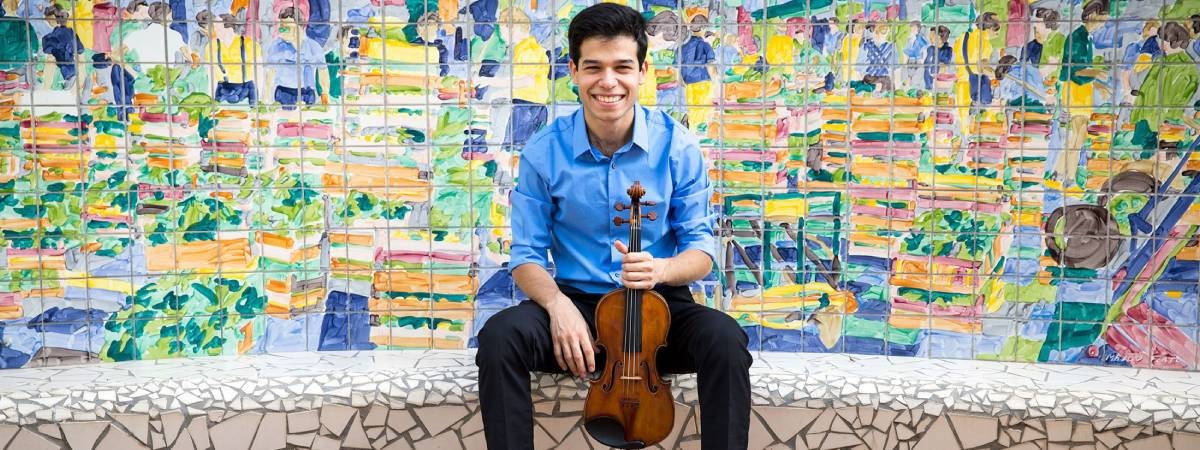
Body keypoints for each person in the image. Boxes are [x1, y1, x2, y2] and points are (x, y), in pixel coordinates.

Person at [475, 3, 752, 449]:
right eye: (594, 68)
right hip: (578, 312)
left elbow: (701, 250)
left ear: (643, 70)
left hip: (658, 310)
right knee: (499, 338)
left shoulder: (677, 147)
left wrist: (659, 270)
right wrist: (557, 305)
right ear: (573, 71)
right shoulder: (544, 151)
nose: (608, 82)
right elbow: (525, 256)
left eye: (622, 67)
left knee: (725, 340)